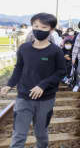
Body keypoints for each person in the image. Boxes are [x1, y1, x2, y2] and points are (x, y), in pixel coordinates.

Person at [0, 13, 66, 148]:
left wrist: (43, 85)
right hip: (23, 97)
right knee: (18, 135)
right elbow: (18, 67)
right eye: (35, 26)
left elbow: (61, 72)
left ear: (51, 30)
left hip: (45, 99)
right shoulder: (24, 48)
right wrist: (10, 84)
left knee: (41, 133)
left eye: (43, 27)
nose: (38, 29)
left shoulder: (56, 51)